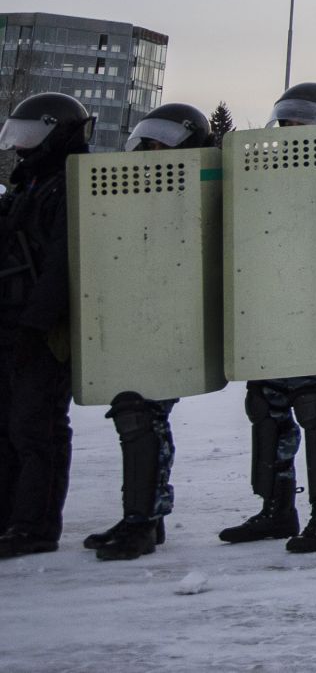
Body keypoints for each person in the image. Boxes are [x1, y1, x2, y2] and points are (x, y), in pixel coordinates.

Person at [218, 82, 316, 554]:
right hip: (272, 307)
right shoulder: (262, 167)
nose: (293, 128)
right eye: (289, 120)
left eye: (304, 120)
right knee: (266, 406)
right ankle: (276, 508)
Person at [79, 104, 213, 560]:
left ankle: (144, 520)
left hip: (177, 322)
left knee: (143, 417)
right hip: (137, 317)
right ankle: (141, 516)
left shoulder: (202, 188)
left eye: (164, 142)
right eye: (149, 142)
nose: (152, 151)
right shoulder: (127, 186)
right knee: (132, 414)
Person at [0, 92, 91, 558]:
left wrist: (36, 328)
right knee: (9, 427)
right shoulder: (29, 185)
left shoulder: (69, 188)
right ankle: (11, 518)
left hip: (41, 330)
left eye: (33, 137)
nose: (22, 147)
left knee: (37, 428)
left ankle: (35, 526)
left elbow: (60, 267)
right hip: (12, 323)